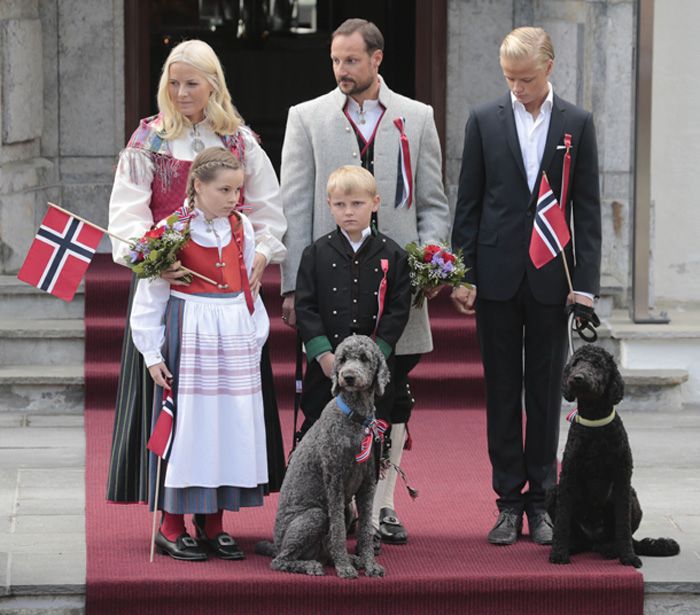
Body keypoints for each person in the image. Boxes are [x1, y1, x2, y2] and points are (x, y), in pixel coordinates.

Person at [279, 18, 450, 547]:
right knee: (324, 404)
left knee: (393, 400)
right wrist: (290, 286)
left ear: (377, 59)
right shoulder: (306, 117)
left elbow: (433, 203)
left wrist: (431, 267)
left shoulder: (416, 117)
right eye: (335, 60)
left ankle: (382, 506)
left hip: (395, 289)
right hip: (329, 289)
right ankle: (331, 510)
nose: (341, 70)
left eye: (351, 60)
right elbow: (295, 203)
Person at [107, 39, 287, 504]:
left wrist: (262, 255)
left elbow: (268, 211)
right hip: (170, 293)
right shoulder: (148, 140)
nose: (182, 92)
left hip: (227, 296)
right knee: (176, 403)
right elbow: (127, 219)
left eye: (192, 82)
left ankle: (219, 505)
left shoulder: (239, 142)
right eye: (174, 82)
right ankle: (168, 505)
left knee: (226, 408)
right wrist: (155, 260)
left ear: (213, 85)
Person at [451, 27, 601, 546]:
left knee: (543, 391)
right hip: (494, 274)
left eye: (527, 78)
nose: (517, 87)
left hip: (550, 276)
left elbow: (587, 208)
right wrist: (462, 272)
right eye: (510, 78)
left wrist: (584, 287)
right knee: (501, 392)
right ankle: (507, 502)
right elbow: (467, 201)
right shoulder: (483, 119)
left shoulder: (576, 124)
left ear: (550, 68)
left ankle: (542, 501)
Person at [131, 147, 268, 560]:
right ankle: (171, 525)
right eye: (224, 190)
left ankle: (214, 522)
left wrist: (254, 333)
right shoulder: (172, 229)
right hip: (191, 334)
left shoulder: (241, 227)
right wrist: (152, 353)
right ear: (198, 186)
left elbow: (248, 285)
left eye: (237, 190)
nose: (233, 198)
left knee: (230, 425)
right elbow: (150, 296)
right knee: (192, 429)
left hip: (234, 337)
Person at [294, 165, 411, 437]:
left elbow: (398, 309)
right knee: (319, 434)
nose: (348, 211)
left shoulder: (393, 255)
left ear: (375, 203)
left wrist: (377, 354)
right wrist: (324, 355)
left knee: (371, 434)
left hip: (373, 366)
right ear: (329, 206)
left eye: (357, 203)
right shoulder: (315, 253)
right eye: (340, 204)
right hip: (327, 366)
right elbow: (305, 307)